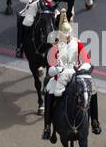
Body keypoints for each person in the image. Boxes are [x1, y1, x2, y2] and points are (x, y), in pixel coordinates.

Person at [42, 9, 101, 140]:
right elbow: (50, 67)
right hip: (60, 75)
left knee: (93, 90)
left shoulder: (77, 43)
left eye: (68, 33)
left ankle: (95, 121)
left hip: (76, 73)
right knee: (49, 91)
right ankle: (47, 127)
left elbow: (86, 60)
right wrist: (56, 70)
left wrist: (82, 69)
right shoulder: (55, 47)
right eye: (64, 34)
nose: (67, 36)